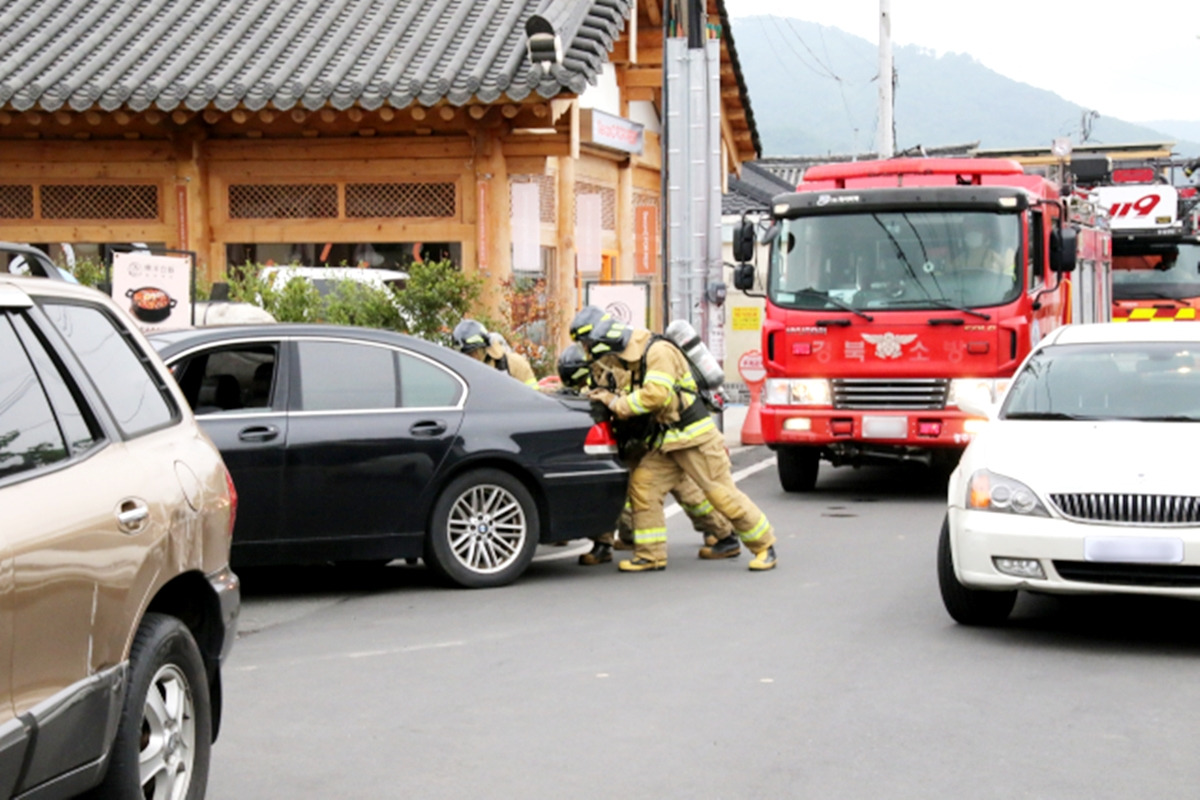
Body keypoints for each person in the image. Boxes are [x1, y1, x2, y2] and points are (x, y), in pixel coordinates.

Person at [583, 316, 777, 572]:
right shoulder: (636, 359)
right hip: (668, 441)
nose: (611, 365)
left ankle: (765, 546)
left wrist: (613, 402)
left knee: (721, 494)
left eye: (610, 359)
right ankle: (651, 555)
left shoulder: (658, 352)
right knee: (644, 486)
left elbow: (655, 396)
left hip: (695, 439)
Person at [452, 318, 538, 388]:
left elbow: (534, 401)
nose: (468, 358)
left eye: (472, 352)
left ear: (484, 348)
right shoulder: (454, 373)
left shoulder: (515, 364)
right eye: (463, 354)